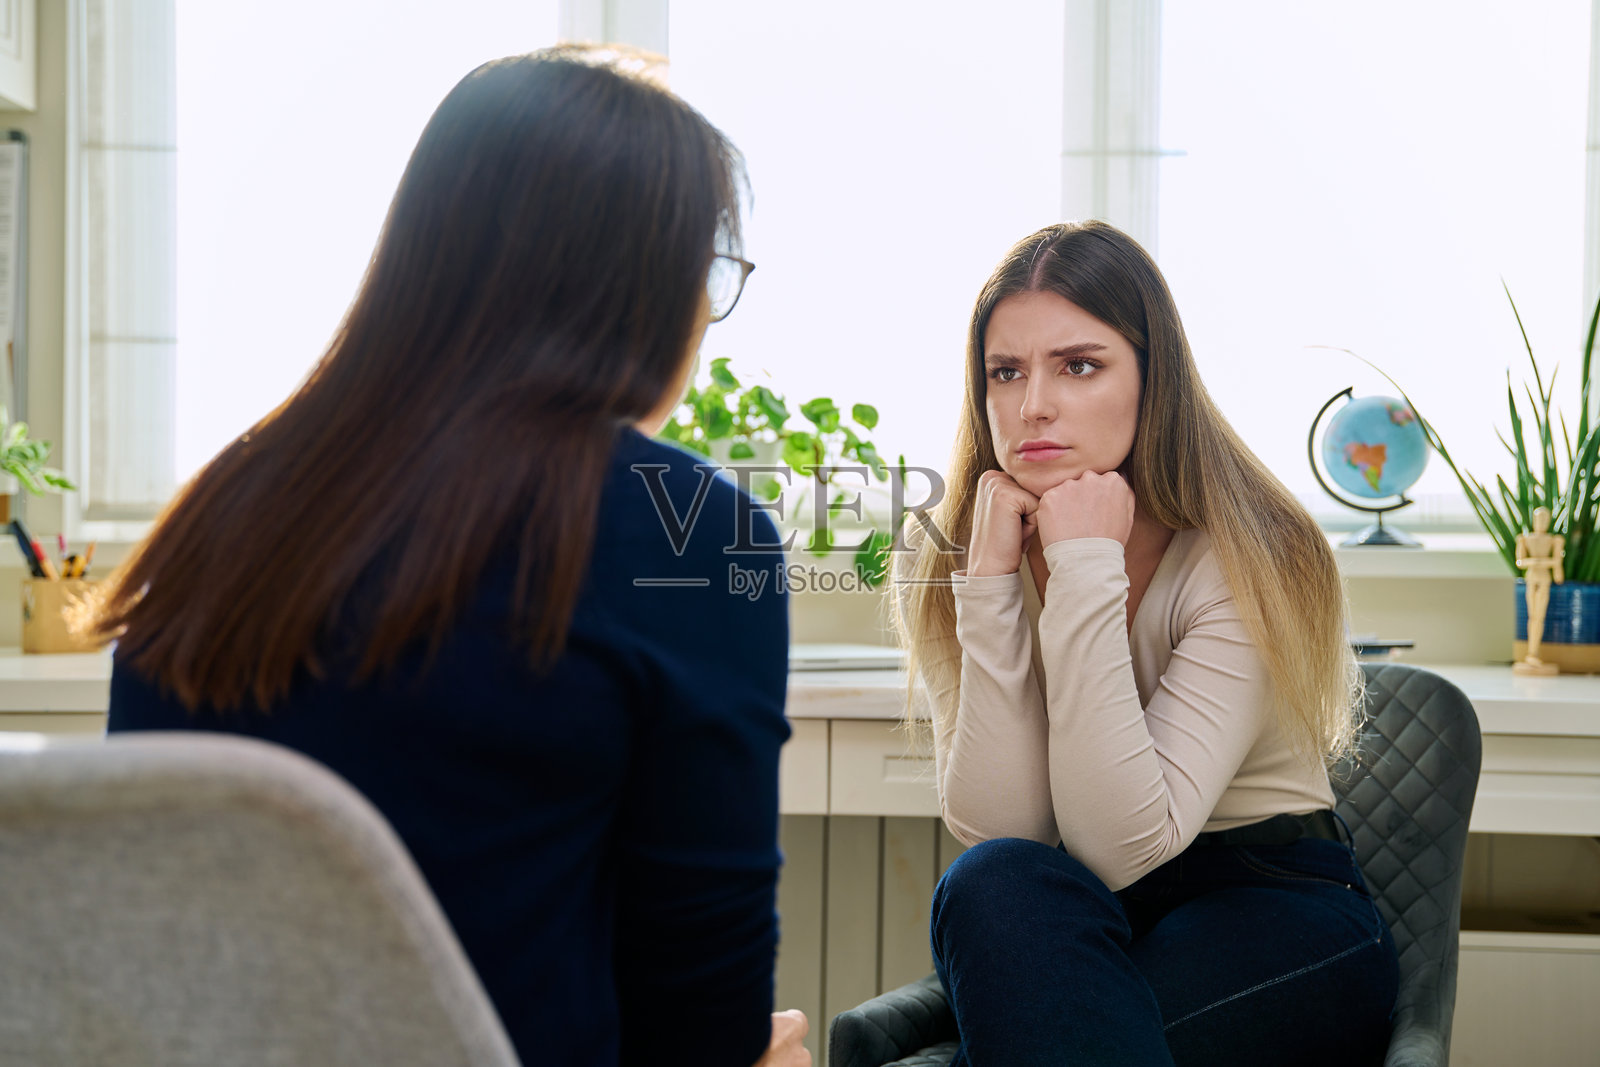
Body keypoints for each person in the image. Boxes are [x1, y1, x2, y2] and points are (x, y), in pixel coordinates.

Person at [92, 47, 808, 1067]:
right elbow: (698, 1019)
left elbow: (146, 938)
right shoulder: (686, 532)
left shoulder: (229, 507)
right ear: (645, 288)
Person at [892, 220, 1399, 1066]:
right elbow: (1002, 827)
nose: (1032, 405)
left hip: (1277, 904)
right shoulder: (957, 552)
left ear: (1152, 380)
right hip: (1088, 910)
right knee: (989, 883)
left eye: (1079, 365)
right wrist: (989, 586)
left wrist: (1086, 565)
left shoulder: (1247, 551)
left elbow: (1122, 842)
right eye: (1005, 371)